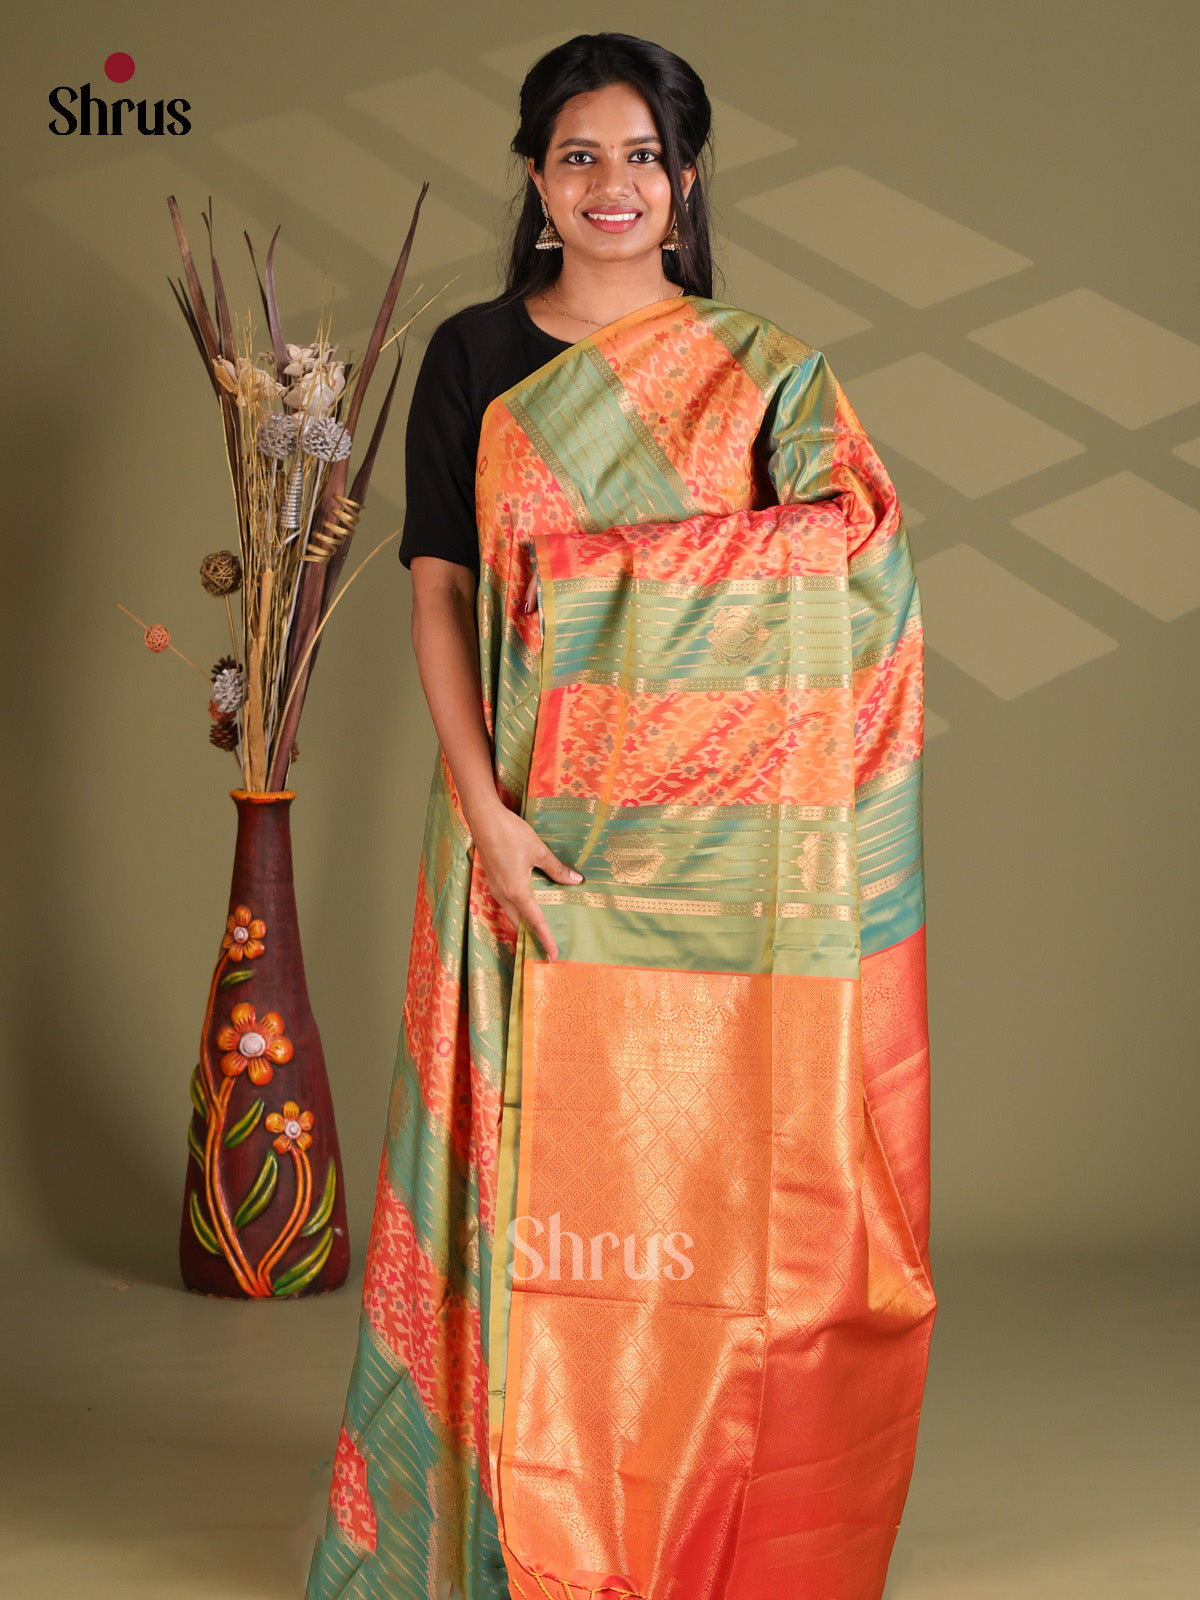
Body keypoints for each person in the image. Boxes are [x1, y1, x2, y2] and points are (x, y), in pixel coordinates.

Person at [306, 31, 936, 1600]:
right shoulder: (473, 358)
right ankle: (498, 1526)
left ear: (687, 181)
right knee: (521, 1172)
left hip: (715, 867)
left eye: (641, 157)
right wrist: (484, 812)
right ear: (535, 178)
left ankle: (675, 1511)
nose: (611, 185)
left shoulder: (763, 371)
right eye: (579, 155)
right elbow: (439, 595)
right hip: (523, 832)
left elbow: (848, 567)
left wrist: (604, 585)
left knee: (696, 1189)